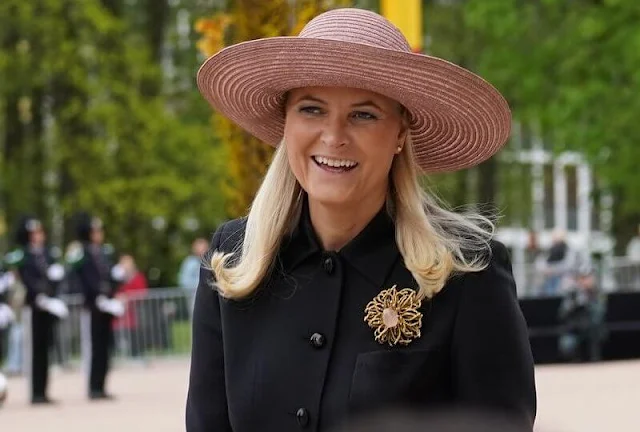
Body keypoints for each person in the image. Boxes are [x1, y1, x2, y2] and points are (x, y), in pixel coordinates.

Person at [186, 8, 536, 432]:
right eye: (312, 109)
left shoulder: (467, 273)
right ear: (286, 123)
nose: (334, 136)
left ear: (401, 133)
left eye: (364, 114)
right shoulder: (233, 262)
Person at [4, 215, 68, 405]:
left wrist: (53, 292)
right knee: (34, 351)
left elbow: (53, 277)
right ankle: (35, 392)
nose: (39, 236)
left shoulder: (47, 254)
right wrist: (38, 295)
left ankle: (43, 391)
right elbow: (26, 279)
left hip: (47, 306)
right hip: (33, 306)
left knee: (45, 349)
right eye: (35, 233)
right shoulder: (23, 255)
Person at [67, 213, 125, 400]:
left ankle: (101, 385)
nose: (99, 234)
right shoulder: (82, 252)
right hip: (93, 306)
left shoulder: (103, 252)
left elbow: (108, 277)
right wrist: (97, 295)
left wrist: (115, 281)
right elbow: (83, 278)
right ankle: (93, 387)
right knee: (93, 348)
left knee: (104, 348)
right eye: (95, 230)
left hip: (106, 306)